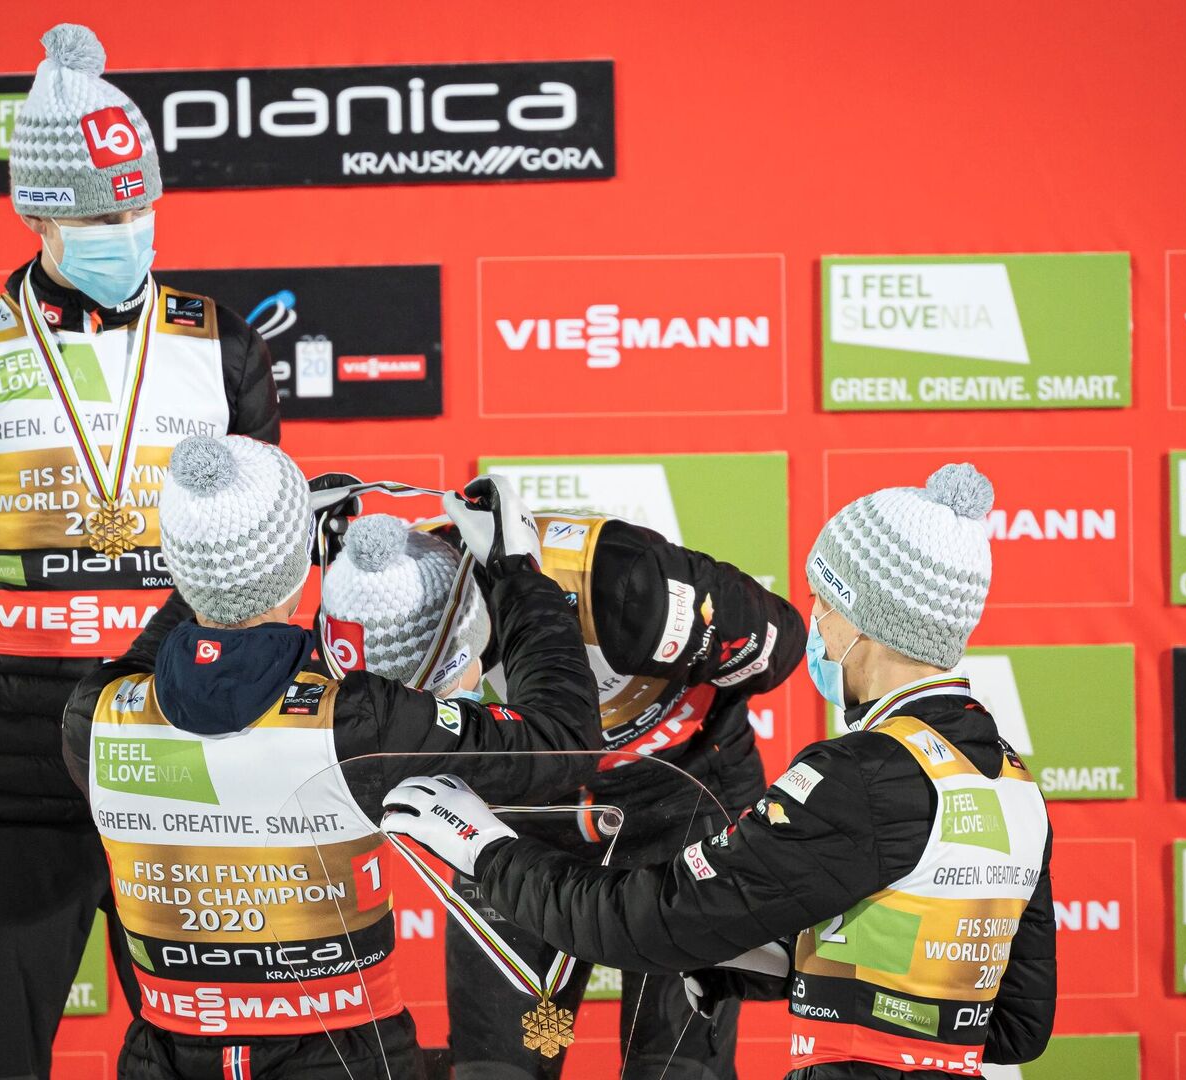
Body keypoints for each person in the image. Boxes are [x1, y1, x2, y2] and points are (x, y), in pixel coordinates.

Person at [0, 24, 278, 1080]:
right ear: (41, 212)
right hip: (10, 748)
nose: (126, 229)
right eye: (101, 213)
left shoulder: (223, 346)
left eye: (139, 205)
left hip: (181, 735)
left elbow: (254, 552)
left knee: (208, 1048)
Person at [381, 465, 1057, 1080]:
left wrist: (484, 848)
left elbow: (646, 924)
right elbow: (1015, 1026)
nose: (817, 625)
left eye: (825, 602)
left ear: (865, 622)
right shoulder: (1014, 782)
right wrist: (775, 967)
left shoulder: (856, 778)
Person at [59, 435, 601, 1080]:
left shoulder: (94, 714)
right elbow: (562, 742)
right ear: (296, 564)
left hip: (162, 1059)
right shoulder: (356, 721)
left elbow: (176, 647)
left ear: (180, 563)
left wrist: (244, 557)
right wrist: (519, 576)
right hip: (343, 1058)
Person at [319, 508, 805, 1079]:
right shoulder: (362, 610)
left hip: (682, 800)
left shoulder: (625, 588)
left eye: (448, 683)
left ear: (474, 626)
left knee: (677, 1069)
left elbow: (783, 645)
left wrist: (689, 666)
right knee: (493, 1070)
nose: (447, 709)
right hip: (516, 819)